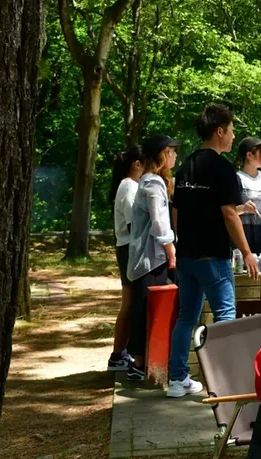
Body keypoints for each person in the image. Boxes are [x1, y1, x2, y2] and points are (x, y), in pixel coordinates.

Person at [168, 104, 259, 399]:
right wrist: (247, 252)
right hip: (213, 257)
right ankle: (227, 382)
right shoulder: (222, 169)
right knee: (225, 317)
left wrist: (182, 244)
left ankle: (177, 381)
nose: (233, 137)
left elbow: (177, 213)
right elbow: (230, 214)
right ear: (219, 131)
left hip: (187, 256)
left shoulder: (185, 166)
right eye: (232, 130)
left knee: (186, 318)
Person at [125, 134, 180, 382]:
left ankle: (141, 361)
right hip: (150, 259)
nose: (175, 155)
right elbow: (159, 223)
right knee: (147, 309)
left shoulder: (150, 181)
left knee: (144, 307)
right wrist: (171, 250)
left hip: (146, 258)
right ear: (161, 154)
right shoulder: (153, 184)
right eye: (171, 151)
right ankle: (139, 363)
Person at [107, 146, 144, 372]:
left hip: (127, 247)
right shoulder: (129, 186)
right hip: (129, 248)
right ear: (136, 165)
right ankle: (118, 354)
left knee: (129, 303)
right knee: (130, 304)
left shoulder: (128, 185)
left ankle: (119, 353)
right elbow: (134, 224)